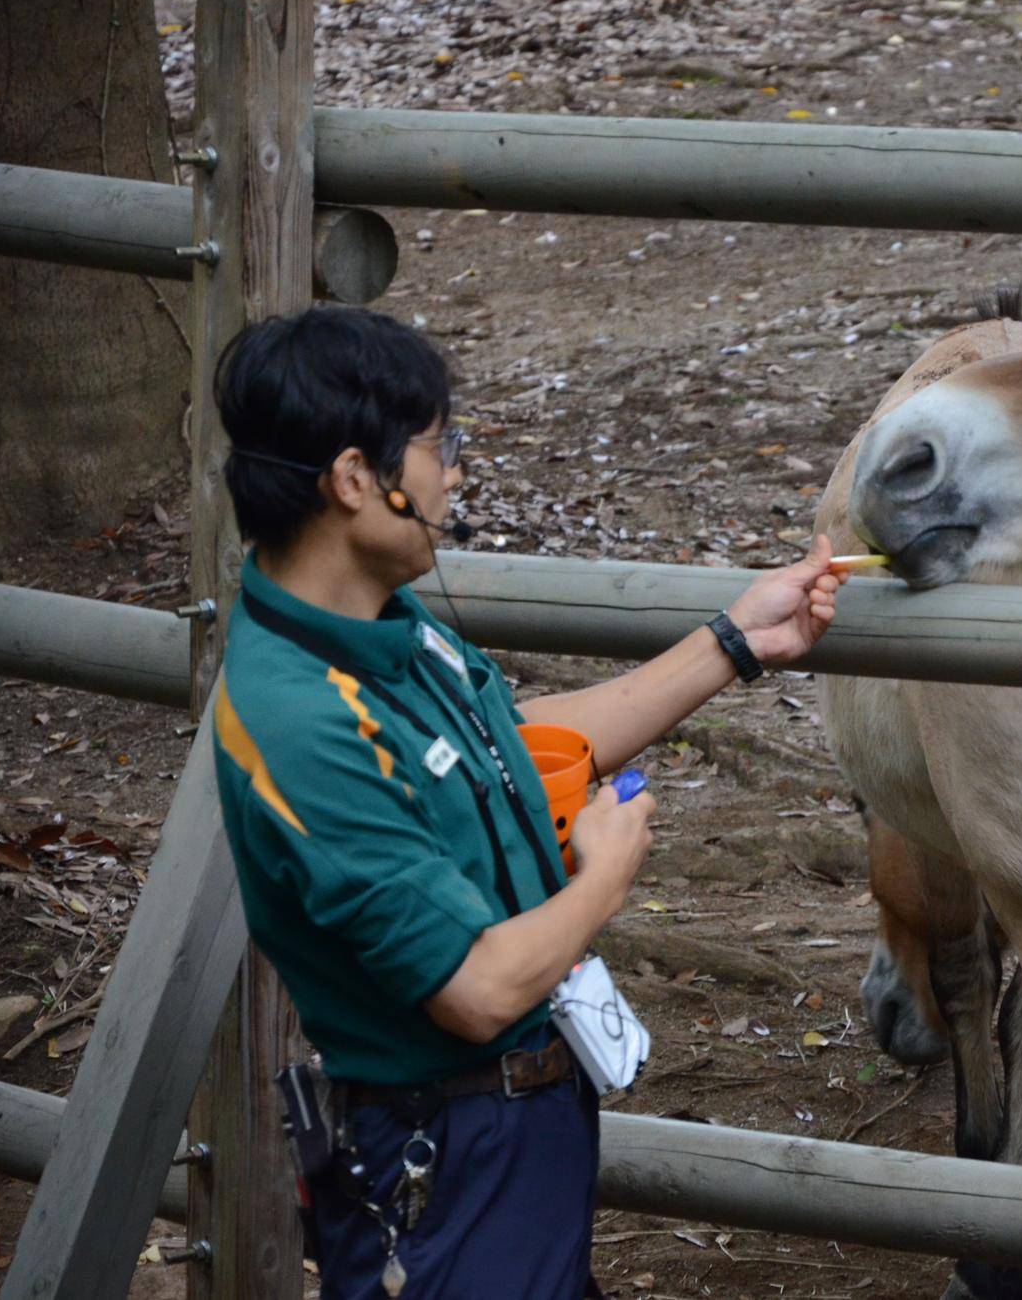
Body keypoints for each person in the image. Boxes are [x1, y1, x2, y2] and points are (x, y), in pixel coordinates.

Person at [207, 307, 843, 1298]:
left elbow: (510, 741)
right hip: (446, 1161)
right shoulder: (302, 727)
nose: (453, 472)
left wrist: (733, 642)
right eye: (437, 446)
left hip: (512, 1135)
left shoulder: (378, 624)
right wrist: (606, 874)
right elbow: (477, 989)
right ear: (352, 481)